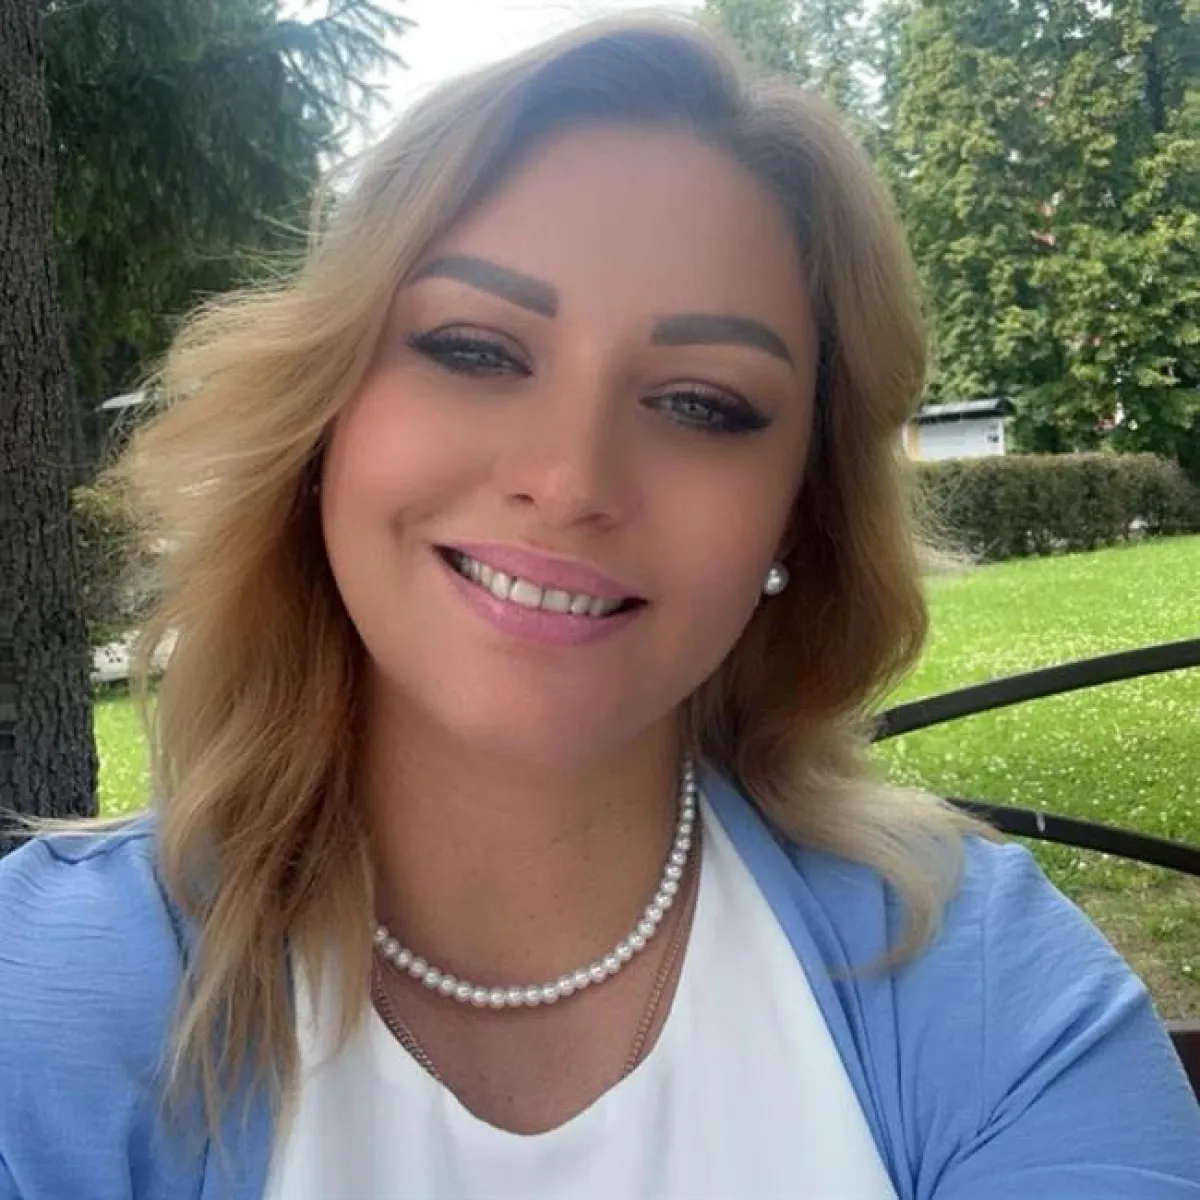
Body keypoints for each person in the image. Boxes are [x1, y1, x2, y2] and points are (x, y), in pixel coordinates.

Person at [1, 13, 1197, 1200]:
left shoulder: (980, 985)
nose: (570, 479)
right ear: (326, 416)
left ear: (801, 512)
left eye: (701, 404)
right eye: (475, 349)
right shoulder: (41, 999)